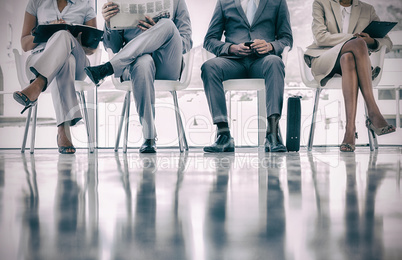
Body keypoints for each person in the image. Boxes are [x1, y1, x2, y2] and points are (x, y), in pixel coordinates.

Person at [85, 0, 192, 153]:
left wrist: (158, 33)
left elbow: (186, 41)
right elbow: (113, 47)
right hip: (136, 64)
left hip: (167, 62)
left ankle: (108, 68)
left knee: (167, 25)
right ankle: (149, 137)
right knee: (142, 63)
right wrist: (109, 24)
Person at [201, 0, 293, 153]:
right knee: (209, 67)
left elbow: (287, 38)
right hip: (233, 62)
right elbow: (209, 40)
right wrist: (230, 48)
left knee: (275, 62)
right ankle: (223, 134)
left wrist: (270, 46)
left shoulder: (277, 2)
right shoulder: (224, 2)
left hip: (263, 61)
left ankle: (272, 134)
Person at [304, 0, 396, 152]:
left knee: (348, 58)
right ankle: (373, 112)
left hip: (353, 62)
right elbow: (321, 37)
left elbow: (388, 43)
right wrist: (355, 39)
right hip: (324, 58)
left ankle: (350, 131)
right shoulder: (321, 3)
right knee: (358, 43)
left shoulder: (368, 9)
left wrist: (371, 41)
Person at [13, 0, 97, 154]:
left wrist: (75, 41)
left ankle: (38, 84)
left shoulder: (85, 5)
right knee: (66, 62)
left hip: (78, 60)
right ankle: (63, 131)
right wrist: (45, 31)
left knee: (64, 37)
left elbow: (92, 48)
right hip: (40, 58)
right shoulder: (36, 3)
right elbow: (25, 44)